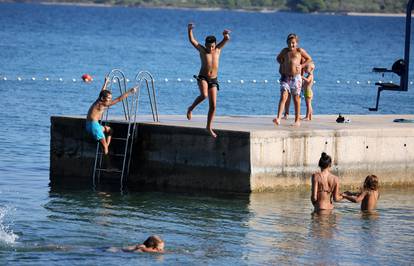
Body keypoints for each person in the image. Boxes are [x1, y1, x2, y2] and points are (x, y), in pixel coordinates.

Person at [186, 23, 230, 138]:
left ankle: (208, 127)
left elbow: (226, 39)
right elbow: (192, 40)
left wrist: (225, 35)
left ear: (215, 45)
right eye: (208, 46)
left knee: (214, 105)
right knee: (204, 95)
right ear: (205, 44)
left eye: (212, 46)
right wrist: (190, 30)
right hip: (203, 77)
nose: (210, 48)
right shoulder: (202, 50)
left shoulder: (218, 50)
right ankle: (190, 108)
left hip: (213, 80)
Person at [86, 76, 136, 155]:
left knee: (110, 130)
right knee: (105, 148)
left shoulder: (99, 99)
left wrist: (106, 82)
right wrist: (130, 92)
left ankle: (106, 146)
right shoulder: (104, 103)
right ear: (103, 98)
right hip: (94, 127)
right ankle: (106, 162)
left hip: (90, 125)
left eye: (110, 98)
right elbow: (119, 99)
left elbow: (102, 91)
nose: (110, 100)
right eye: (109, 98)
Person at [273, 33, 312, 127]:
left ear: (297, 43)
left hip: (296, 78)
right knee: (283, 96)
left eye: (293, 43)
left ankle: (297, 120)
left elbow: (309, 59)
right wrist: (281, 63)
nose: (291, 45)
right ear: (287, 43)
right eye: (290, 43)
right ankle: (278, 118)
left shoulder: (299, 51)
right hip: (285, 77)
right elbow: (278, 58)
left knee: (296, 99)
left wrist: (302, 66)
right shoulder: (285, 51)